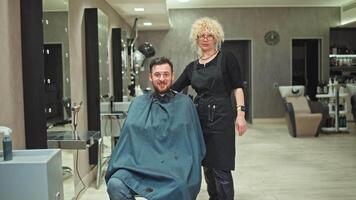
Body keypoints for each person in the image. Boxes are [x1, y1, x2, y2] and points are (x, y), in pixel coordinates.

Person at [105, 57, 206, 200]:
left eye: (166, 74)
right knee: (115, 184)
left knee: (180, 186)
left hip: (173, 170)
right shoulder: (139, 103)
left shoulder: (185, 104)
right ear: (150, 77)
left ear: (173, 76)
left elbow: (194, 144)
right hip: (137, 168)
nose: (162, 78)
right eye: (157, 74)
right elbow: (128, 139)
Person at [171, 17, 247, 200]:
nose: (205, 38)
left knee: (221, 165)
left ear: (216, 38)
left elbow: (237, 87)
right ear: (196, 39)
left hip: (221, 117)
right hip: (199, 119)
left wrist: (241, 114)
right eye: (201, 35)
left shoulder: (226, 58)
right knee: (207, 164)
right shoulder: (192, 67)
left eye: (209, 35)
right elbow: (174, 89)